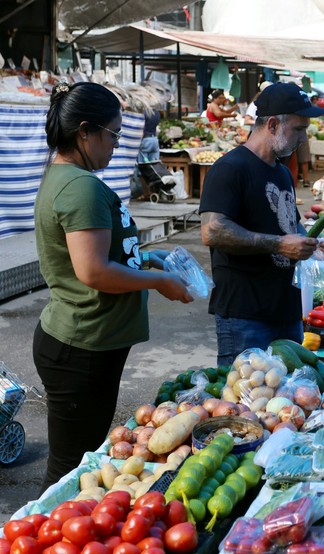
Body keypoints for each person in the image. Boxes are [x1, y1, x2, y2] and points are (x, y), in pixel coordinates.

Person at [33, 82, 193, 488]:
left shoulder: (69, 178)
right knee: (72, 469)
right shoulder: (80, 186)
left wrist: (145, 258)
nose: (116, 145)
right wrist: (158, 281)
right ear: (85, 131)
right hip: (80, 348)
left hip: (87, 344)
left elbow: (101, 255)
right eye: (113, 135)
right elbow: (93, 272)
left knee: (81, 460)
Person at [199, 82, 324, 366]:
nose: (303, 138)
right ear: (272, 124)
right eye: (298, 129)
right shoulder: (229, 169)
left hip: (286, 310)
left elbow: (290, 226)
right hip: (246, 316)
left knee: (286, 400)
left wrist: (312, 245)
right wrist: (280, 244)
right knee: (243, 403)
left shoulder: (282, 173)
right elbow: (212, 230)